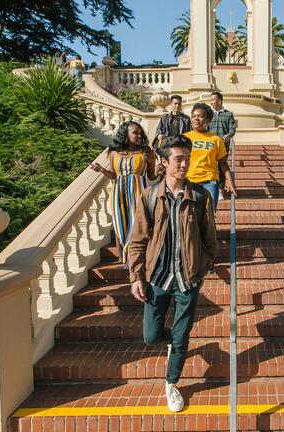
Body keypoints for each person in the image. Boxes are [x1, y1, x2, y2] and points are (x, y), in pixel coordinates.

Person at [127, 135, 218, 413]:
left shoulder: (200, 196)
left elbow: (210, 239)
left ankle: (171, 382)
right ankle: (176, 342)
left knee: (181, 334)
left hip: (187, 279)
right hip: (158, 277)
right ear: (164, 162)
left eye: (187, 159)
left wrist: (202, 268)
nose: (184, 164)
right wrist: (136, 276)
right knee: (151, 336)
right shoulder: (150, 195)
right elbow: (138, 239)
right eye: (179, 159)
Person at [89, 121, 157, 266]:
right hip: (118, 193)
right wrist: (101, 170)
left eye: (140, 133)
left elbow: (151, 176)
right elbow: (114, 175)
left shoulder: (146, 152)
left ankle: (138, 257)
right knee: (120, 224)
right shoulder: (114, 153)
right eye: (135, 133)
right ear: (125, 134)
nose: (139, 136)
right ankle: (124, 258)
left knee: (138, 224)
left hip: (139, 192)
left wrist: (158, 168)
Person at [184, 103, 237, 213]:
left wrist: (230, 181)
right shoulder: (185, 138)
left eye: (200, 116)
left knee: (209, 216)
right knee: (189, 215)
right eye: (193, 116)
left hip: (210, 183)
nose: (196, 119)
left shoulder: (216, 140)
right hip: (188, 181)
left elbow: (223, 163)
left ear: (208, 119)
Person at [208, 92, 237, 199]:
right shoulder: (209, 115)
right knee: (211, 167)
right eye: (210, 100)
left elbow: (232, 129)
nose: (211, 102)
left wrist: (229, 135)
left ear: (219, 101)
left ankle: (220, 191)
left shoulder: (229, 114)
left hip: (223, 146)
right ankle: (211, 189)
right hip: (210, 146)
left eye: (213, 100)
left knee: (221, 167)